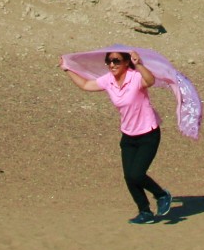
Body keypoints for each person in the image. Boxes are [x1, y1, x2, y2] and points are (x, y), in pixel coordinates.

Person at [62, 49, 173, 223]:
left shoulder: (135, 77)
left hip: (148, 134)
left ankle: (161, 195)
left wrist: (139, 65)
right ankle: (145, 212)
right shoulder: (108, 80)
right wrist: (66, 69)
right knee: (129, 176)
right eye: (109, 61)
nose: (112, 64)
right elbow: (86, 85)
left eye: (116, 61)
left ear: (126, 62)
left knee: (137, 174)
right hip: (128, 135)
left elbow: (150, 81)